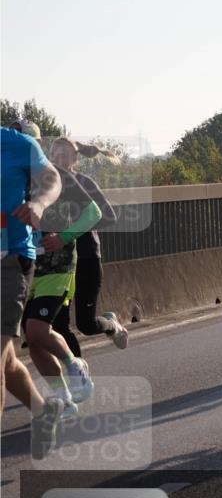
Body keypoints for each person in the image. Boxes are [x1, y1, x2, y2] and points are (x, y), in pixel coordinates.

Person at [23, 140, 104, 417]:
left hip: (58, 266)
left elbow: (95, 212)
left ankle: (74, 365)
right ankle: (63, 397)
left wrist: (65, 237)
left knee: (36, 329)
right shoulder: (10, 177)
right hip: (23, 266)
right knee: (33, 340)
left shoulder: (58, 176)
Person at [1, 121, 66, 457]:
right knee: (7, 361)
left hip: (9, 258)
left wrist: (39, 203)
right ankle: (44, 411)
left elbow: (52, 178)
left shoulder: (17, 142)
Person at [47, 137, 129, 354]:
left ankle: (111, 324)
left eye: (63, 155)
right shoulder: (45, 185)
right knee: (60, 326)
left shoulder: (84, 183)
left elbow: (109, 217)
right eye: (54, 155)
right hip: (60, 263)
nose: (58, 159)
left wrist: (73, 229)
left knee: (86, 324)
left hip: (86, 258)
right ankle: (79, 379)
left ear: (75, 158)